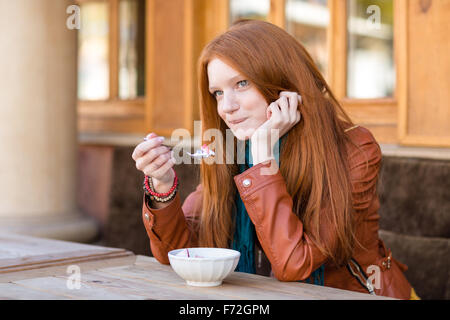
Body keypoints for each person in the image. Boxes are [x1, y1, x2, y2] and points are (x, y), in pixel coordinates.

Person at [132, 20, 416, 299]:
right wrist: (163, 184)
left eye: (241, 83)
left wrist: (262, 158)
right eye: (217, 92)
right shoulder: (232, 147)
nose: (226, 107)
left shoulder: (355, 148)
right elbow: (179, 252)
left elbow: (295, 263)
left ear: (283, 84)